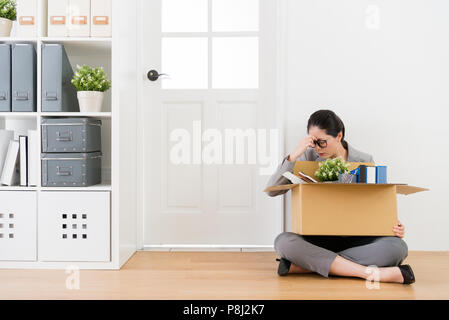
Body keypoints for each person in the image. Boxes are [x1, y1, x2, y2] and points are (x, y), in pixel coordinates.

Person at [267, 109, 415, 284]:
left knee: (397, 247)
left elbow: (374, 201)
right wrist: (294, 155)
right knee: (283, 242)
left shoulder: (364, 159)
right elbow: (272, 190)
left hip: (356, 239)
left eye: (322, 142)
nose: (317, 148)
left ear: (339, 136)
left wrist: (391, 223)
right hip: (318, 238)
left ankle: (306, 265)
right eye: (313, 142)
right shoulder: (307, 157)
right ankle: (366, 272)